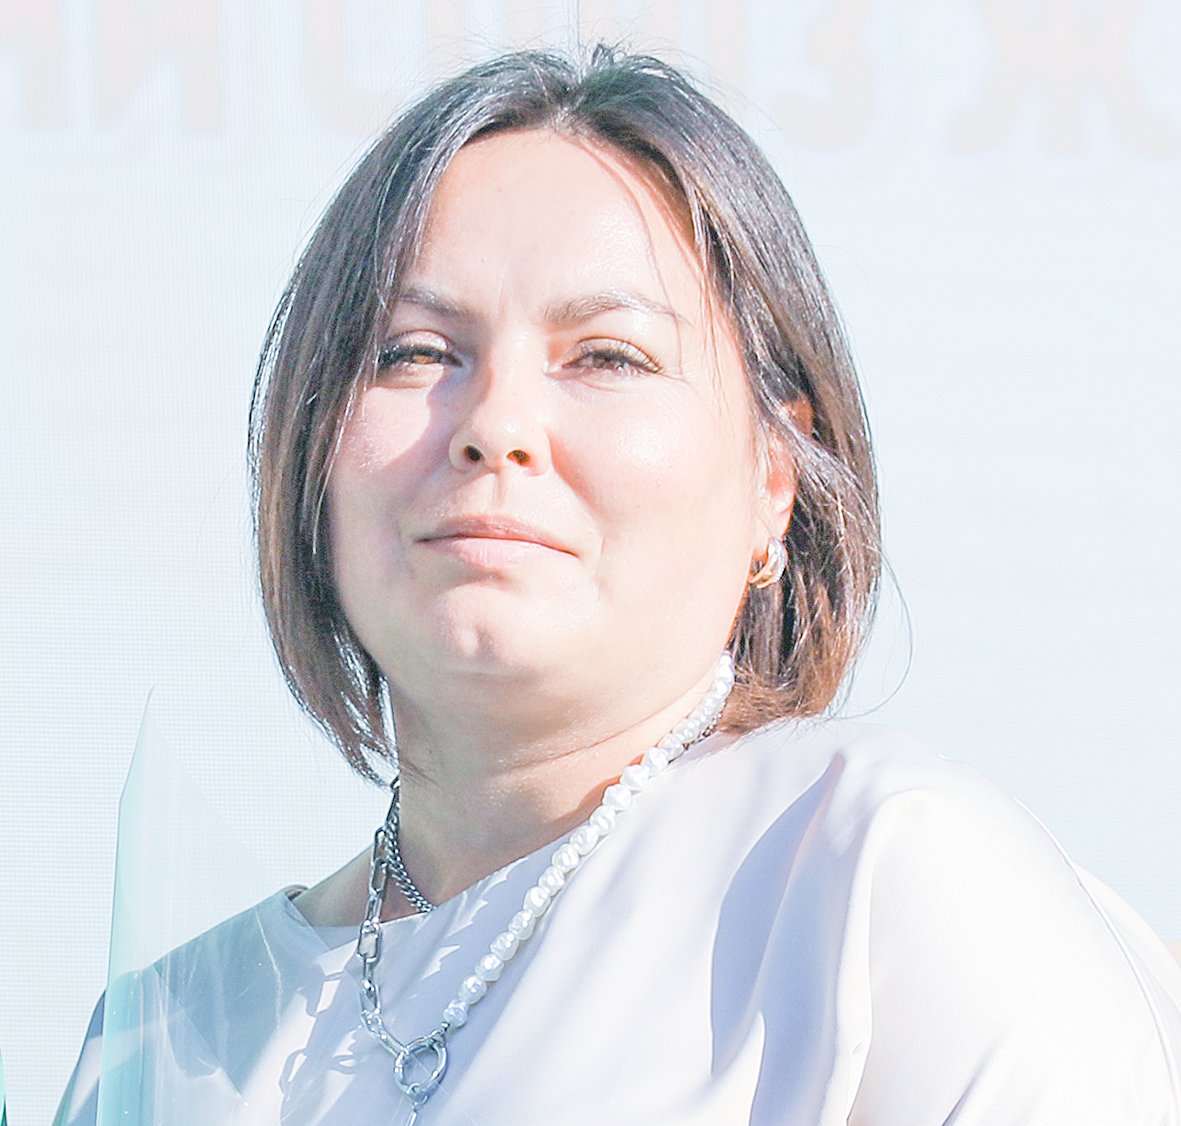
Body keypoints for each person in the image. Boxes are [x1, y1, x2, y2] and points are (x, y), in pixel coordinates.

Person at [57, 45, 1181, 1125]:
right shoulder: (169, 1035)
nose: (495, 426)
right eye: (415, 351)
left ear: (774, 477)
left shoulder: (877, 882)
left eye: (606, 356)